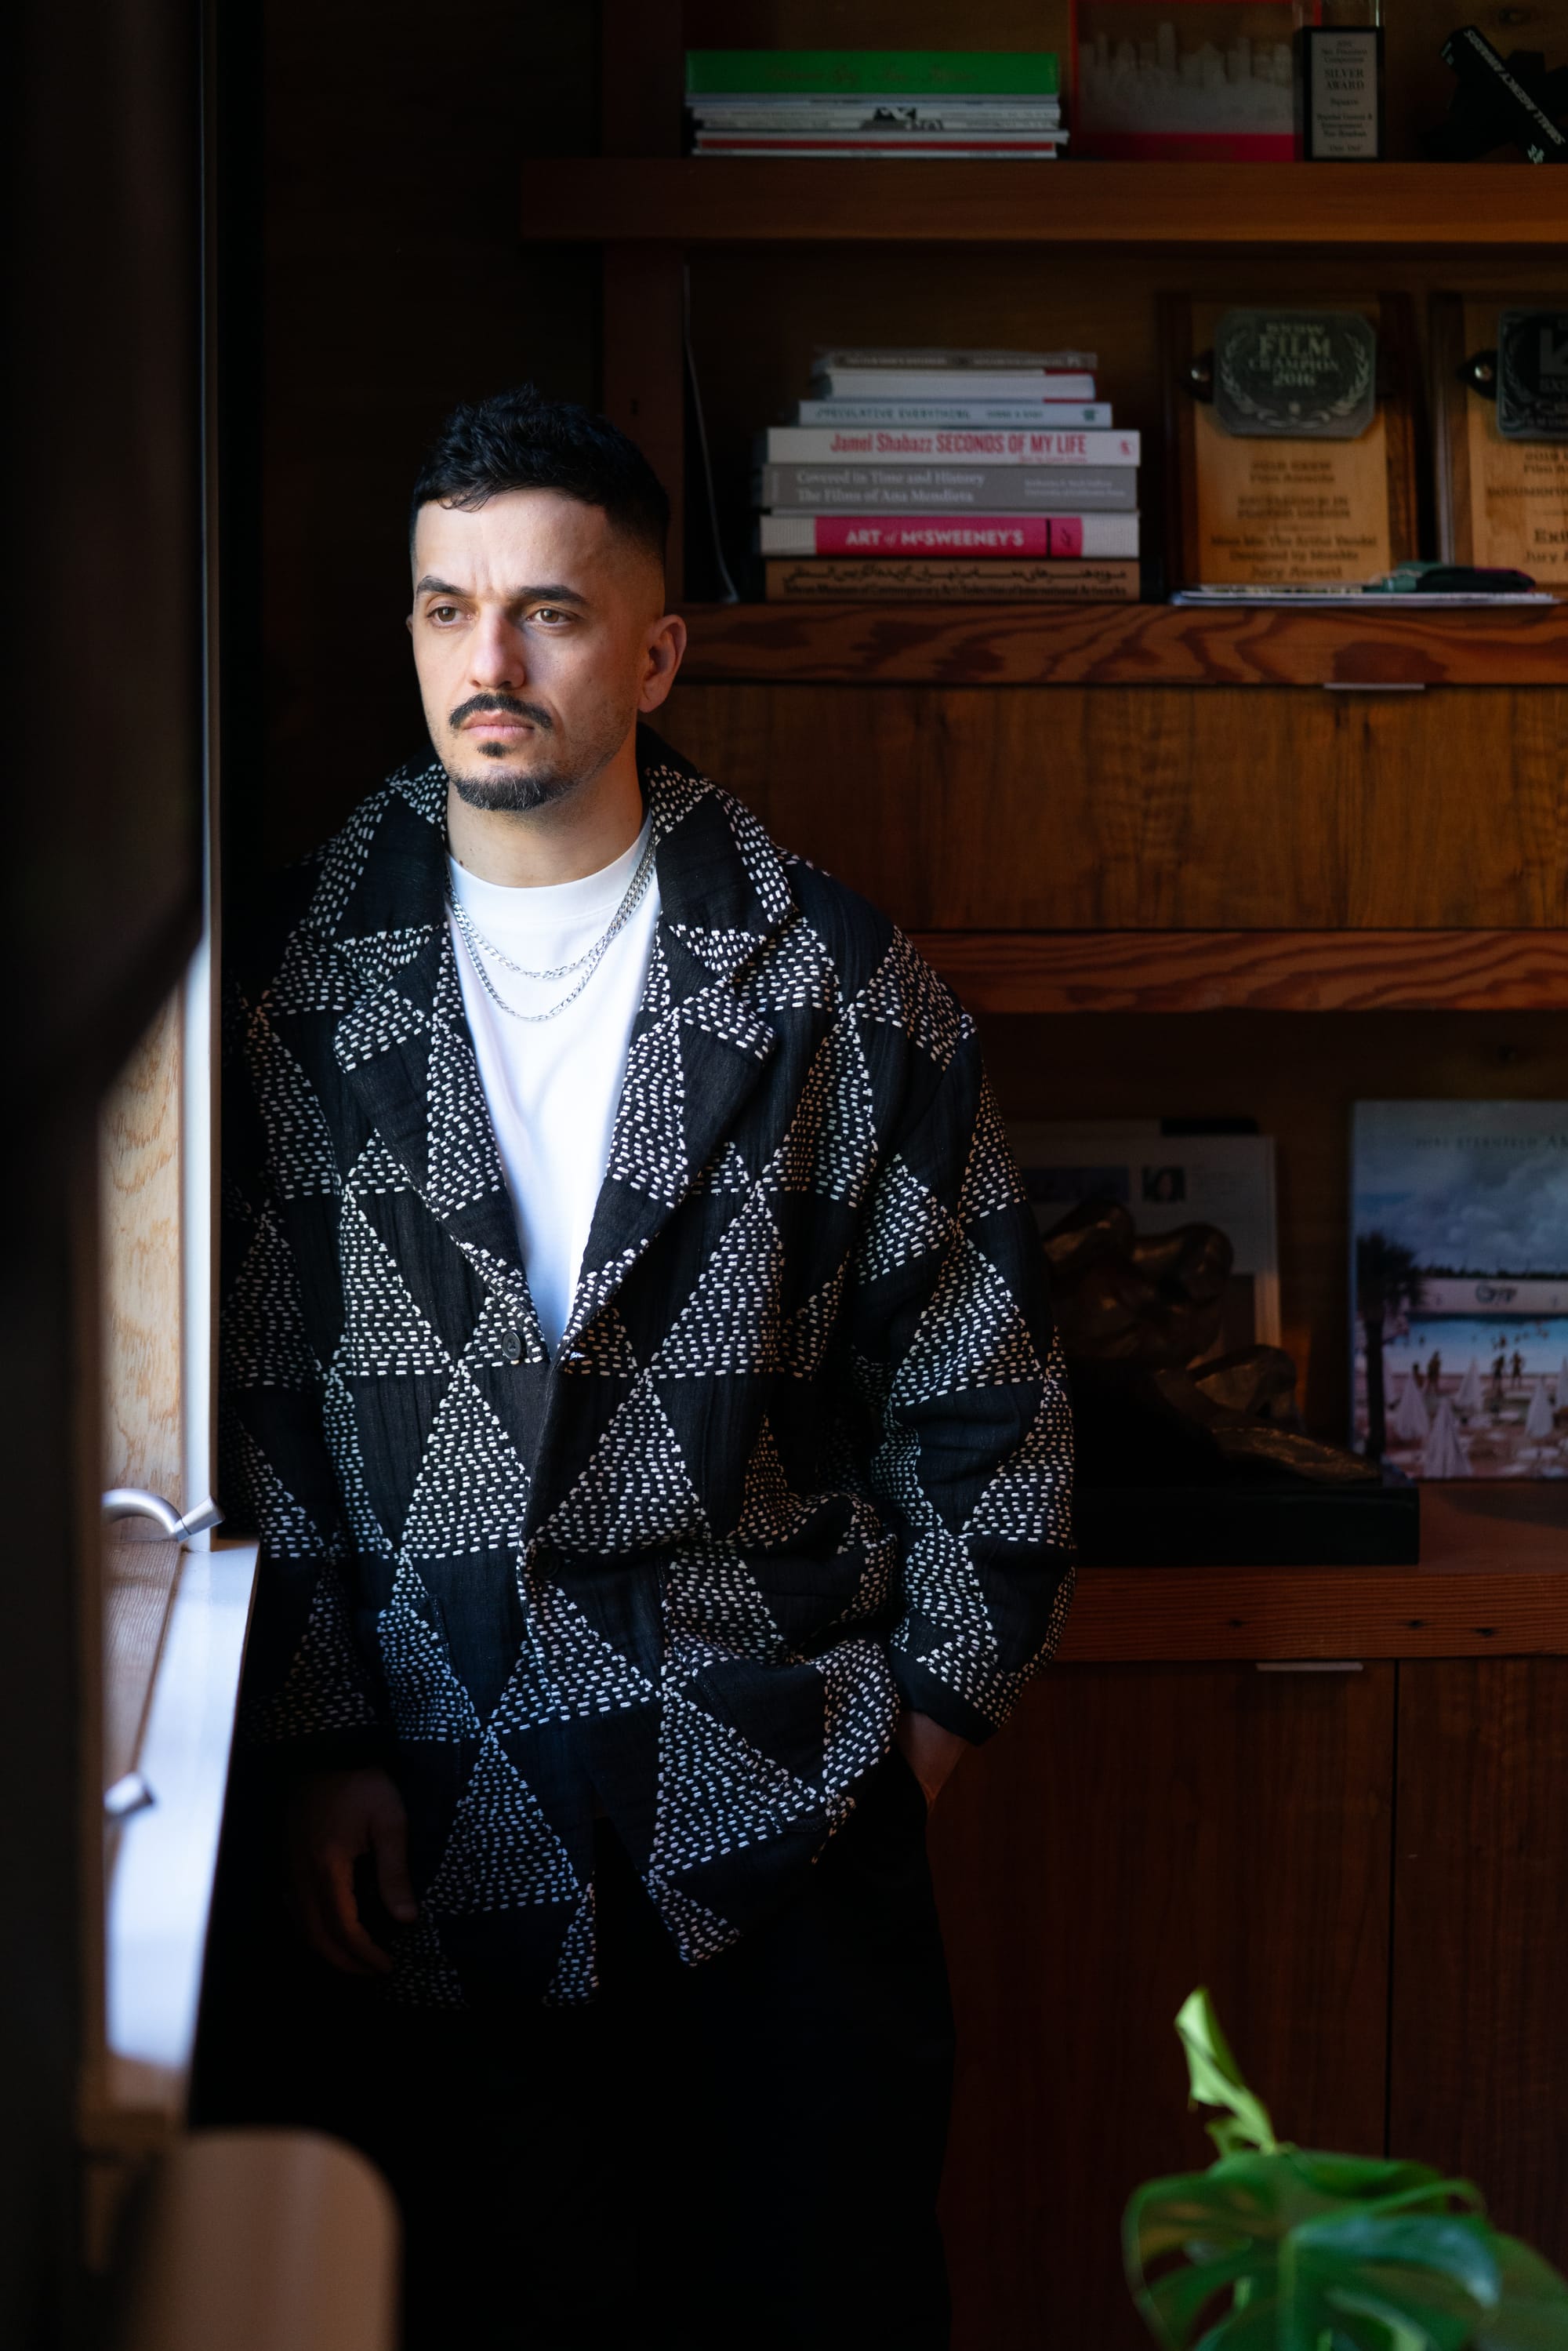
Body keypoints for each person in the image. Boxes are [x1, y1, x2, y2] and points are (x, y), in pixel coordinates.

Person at [217, 387, 1075, 2350]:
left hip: (776, 1796)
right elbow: (259, 1391)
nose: (487, 665)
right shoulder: (295, 978)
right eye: (445, 612)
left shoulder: (832, 976)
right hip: (429, 1816)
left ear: (658, 649)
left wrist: (917, 1729)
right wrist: (329, 1735)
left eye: (549, 614)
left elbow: (988, 1390)